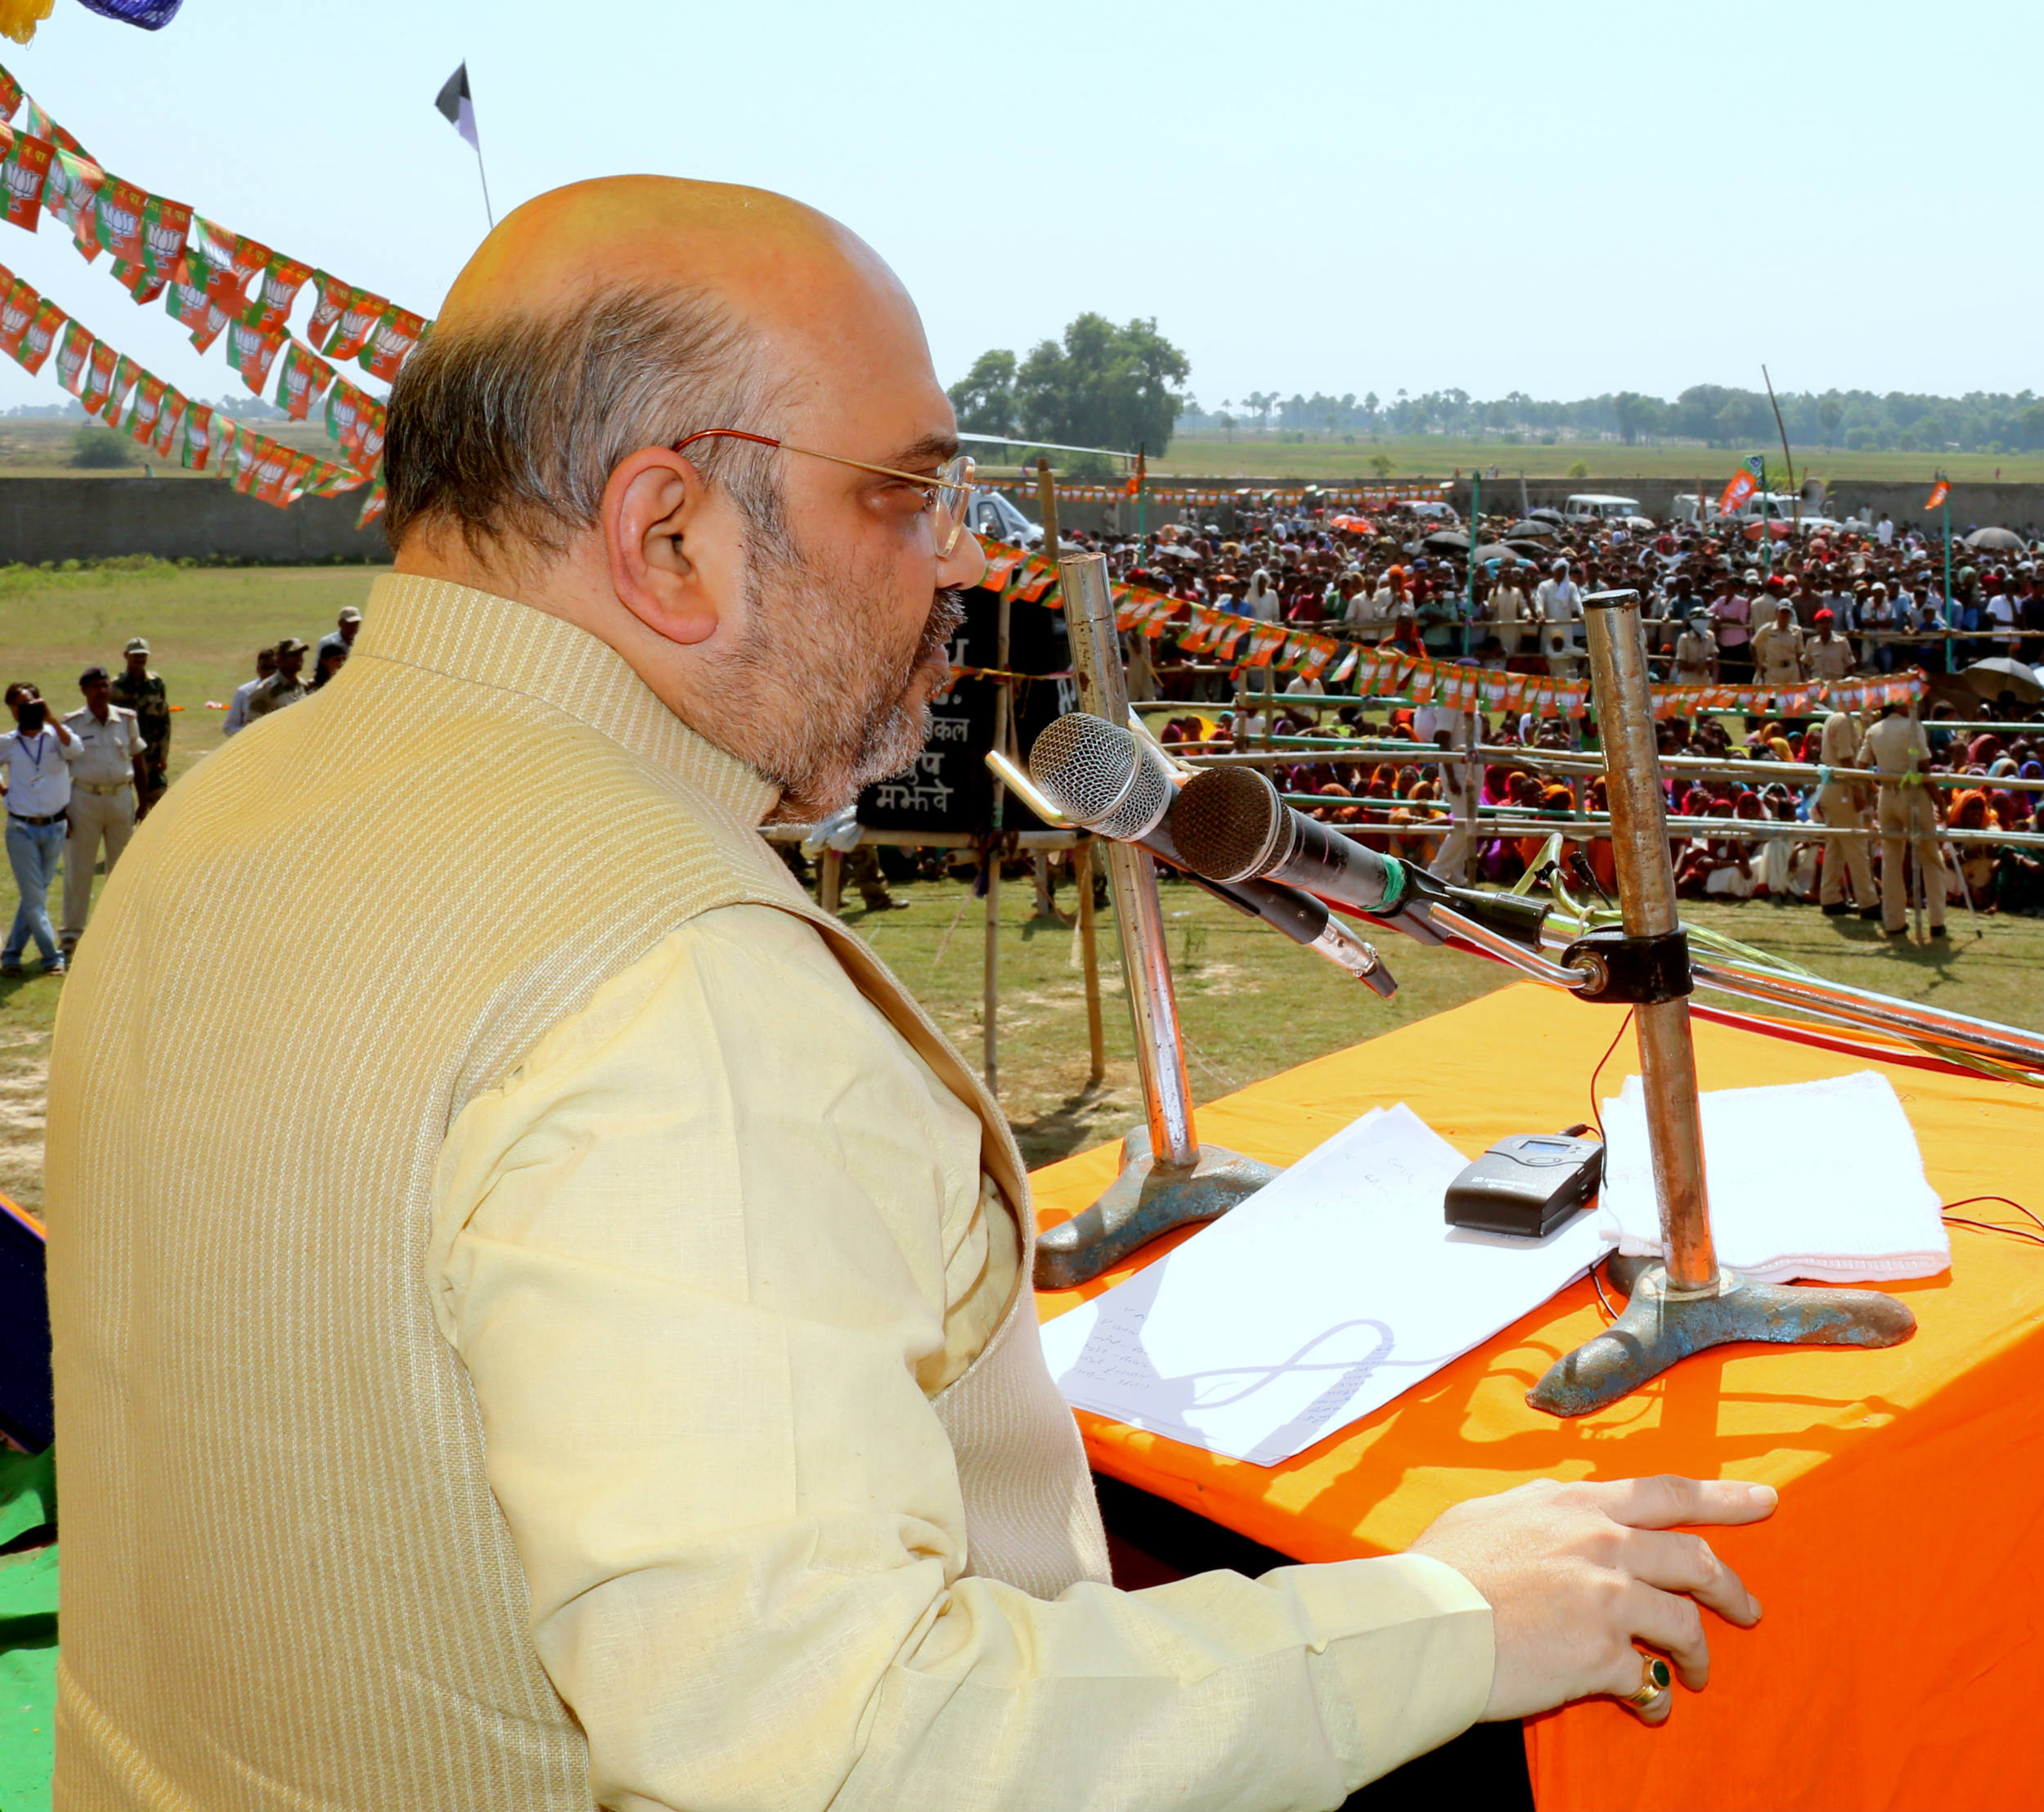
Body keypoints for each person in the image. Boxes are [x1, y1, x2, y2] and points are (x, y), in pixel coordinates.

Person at [47, 176, 1772, 1812]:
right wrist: (1443, 1620)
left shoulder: (229, 813)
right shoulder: (676, 990)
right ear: (669, 532)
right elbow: (839, 1752)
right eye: (905, 493)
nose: (955, 561)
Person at [60, 665, 143, 952]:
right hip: (84, 799)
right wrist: (63, 810)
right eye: (95, 686)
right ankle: (71, 932)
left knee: (122, 867)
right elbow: (60, 769)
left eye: (105, 685)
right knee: (79, 868)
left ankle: (120, 928)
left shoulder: (127, 719)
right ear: (83, 690)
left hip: (121, 797)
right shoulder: (72, 724)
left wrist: (144, 801)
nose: (102, 690)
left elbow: (137, 758)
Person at [2, 685, 75, 977]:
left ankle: (11, 954)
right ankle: (52, 957)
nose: (23, 710)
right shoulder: (7, 742)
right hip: (21, 829)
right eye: (17, 705)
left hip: (55, 827)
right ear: (10, 709)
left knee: (35, 897)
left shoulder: (56, 737)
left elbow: (76, 750)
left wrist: (52, 719)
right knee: (34, 898)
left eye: (29, 703)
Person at [1867, 687, 1951, 941]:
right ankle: (1937, 921)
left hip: (1887, 796)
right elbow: (1924, 768)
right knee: (1930, 856)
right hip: (1913, 794)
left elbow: (1863, 764)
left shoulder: (1874, 729)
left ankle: (1893, 920)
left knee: (1892, 858)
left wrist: (1877, 787)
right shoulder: (1912, 727)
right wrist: (1939, 801)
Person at [1813, 704, 1879, 916]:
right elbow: (1846, 759)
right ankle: (1868, 902)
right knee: (1856, 843)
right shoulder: (1843, 720)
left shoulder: (1839, 718)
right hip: (1842, 787)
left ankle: (1830, 896)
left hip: (1834, 786)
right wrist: (1857, 791)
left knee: (1837, 844)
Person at [114, 637, 169, 812]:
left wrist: (163, 754)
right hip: (125, 755)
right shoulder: (115, 686)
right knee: (124, 807)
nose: (139, 659)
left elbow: (164, 720)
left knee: (159, 805)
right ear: (126, 656)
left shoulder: (156, 684)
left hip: (151, 754)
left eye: (143, 656)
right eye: (135, 655)